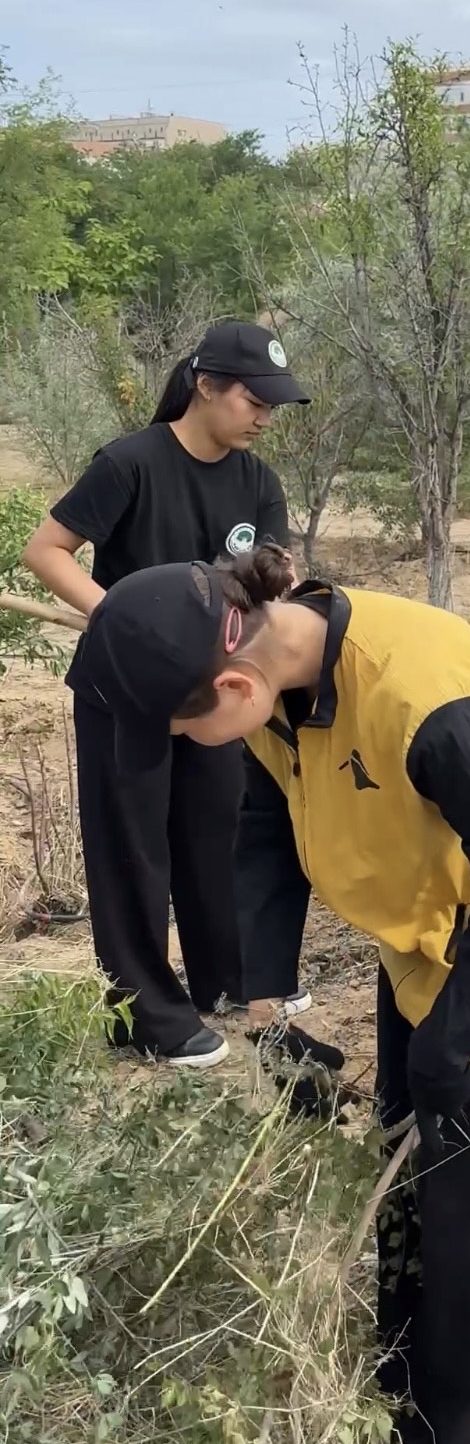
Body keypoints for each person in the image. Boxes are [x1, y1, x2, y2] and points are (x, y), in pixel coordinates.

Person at [66, 545, 470, 1444]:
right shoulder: (278, 683)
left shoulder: (417, 694)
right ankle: (400, 1412)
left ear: (230, 681)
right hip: (424, 933)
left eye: (183, 731)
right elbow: (268, 829)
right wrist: (268, 1006)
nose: (189, 749)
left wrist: (455, 1040)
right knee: (406, 1182)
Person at [22, 321, 310, 1067]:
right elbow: (45, 549)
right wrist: (115, 613)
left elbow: (274, 578)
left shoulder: (257, 482)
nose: (264, 416)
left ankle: (224, 980)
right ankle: (144, 1011)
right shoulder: (130, 463)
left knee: (214, 829)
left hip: (217, 692)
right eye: (253, 399)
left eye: (272, 405)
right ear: (206, 385)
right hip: (129, 686)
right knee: (132, 846)